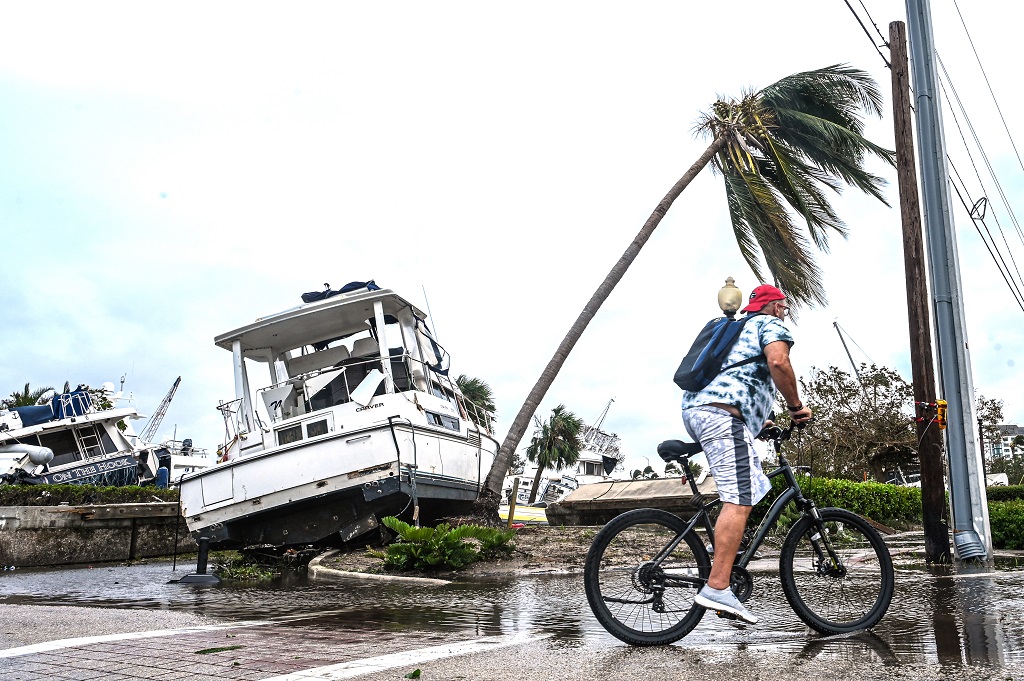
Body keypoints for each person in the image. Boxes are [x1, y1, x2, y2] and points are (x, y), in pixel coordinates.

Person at [680, 283, 813, 624]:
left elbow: (738, 378)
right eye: (783, 307)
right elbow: (779, 363)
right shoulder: (768, 325)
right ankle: (718, 586)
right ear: (772, 306)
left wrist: (762, 420)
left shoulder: (737, 330)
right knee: (739, 498)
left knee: (748, 488)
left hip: (707, 411)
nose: (785, 313)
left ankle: (722, 553)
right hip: (720, 417)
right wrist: (796, 407)